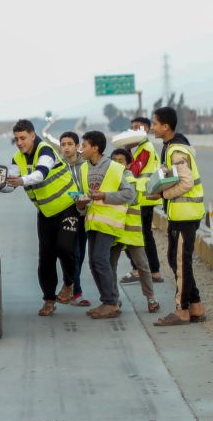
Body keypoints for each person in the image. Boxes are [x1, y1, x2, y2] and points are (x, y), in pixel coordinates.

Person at [0, 119, 79, 316]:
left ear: (33, 136)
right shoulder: (18, 159)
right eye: (16, 139)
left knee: (65, 248)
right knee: (45, 259)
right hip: (45, 213)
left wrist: (22, 180)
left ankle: (69, 283)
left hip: (68, 207)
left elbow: (41, 174)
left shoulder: (45, 150)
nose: (19, 142)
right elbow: (9, 185)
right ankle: (49, 300)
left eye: (23, 138)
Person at [148, 106, 207, 326]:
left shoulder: (177, 151)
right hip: (181, 214)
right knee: (176, 259)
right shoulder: (171, 147)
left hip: (185, 214)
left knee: (181, 263)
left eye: (154, 123)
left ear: (166, 126)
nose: (152, 127)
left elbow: (186, 182)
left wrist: (163, 194)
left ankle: (182, 311)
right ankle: (196, 306)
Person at [75, 131, 134, 319]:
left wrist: (105, 196)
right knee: (93, 263)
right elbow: (85, 197)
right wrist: (81, 204)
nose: (80, 149)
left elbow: (129, 195)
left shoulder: (115, 168)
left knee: (100, 260)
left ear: (96, 148)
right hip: (92, 222)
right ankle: (109, 300)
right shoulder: (83, 169)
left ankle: (110, 303)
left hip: (109, 222)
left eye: (84, 145)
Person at [109, 149, 160, 313]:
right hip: (115, 230)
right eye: (114, 160)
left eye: (121, 160)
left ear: (129, 164)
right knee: (110, 266)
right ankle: (114, 298)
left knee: (143, 266)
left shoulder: (132, 180)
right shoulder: (109, 180)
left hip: (131, 231)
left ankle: (151, 298)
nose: (117, 163)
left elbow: (129, 199)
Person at [119, 116, 165, 284]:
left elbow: (135, 170)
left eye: (138, 127)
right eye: (132, 127)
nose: (134, 130)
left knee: (134, 235)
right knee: (145, 234)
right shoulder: (141, 147)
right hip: (143, 198)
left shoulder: (145, 147)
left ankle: (140, 270)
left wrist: (126, 152)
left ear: (146, 129)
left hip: (142, 198)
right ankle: (154, 272)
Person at [59, 131, 90, 307]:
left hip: (84, 213)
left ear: (77, 146)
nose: (66, 147)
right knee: (71, 253)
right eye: (63, 144)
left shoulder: (86, 164)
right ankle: (75, 291)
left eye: (70, 144)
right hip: (65, 215)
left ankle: (71, 288)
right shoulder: (58, 165)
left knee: (80, 254)